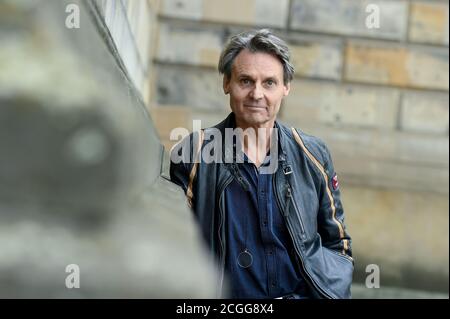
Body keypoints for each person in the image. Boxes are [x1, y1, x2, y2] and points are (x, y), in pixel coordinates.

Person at [170, 29, 353, 299]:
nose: (257, 94)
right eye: (246, 81)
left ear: (285, 88)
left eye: (269, 83)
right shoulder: (194, 154)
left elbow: (338, 246)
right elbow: (175, 248)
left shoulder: (313, 154)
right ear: (226, 83)